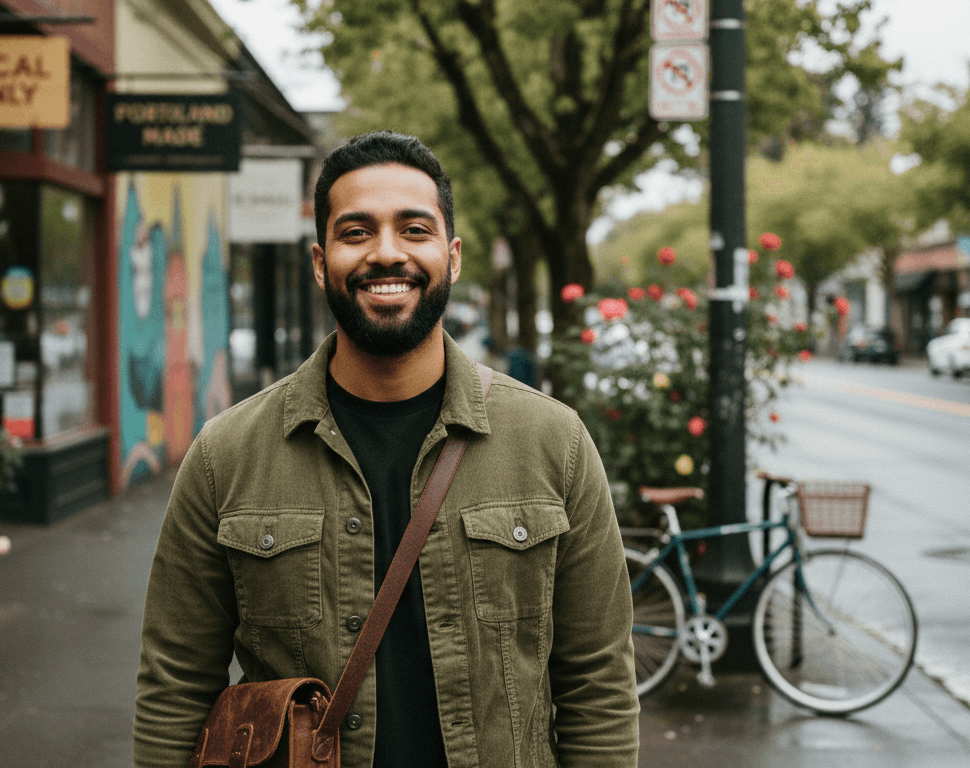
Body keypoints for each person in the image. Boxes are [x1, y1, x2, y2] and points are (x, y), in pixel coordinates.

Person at [135, 131, 638, 768]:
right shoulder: (226, 455)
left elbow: (598, 687)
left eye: (414, 229)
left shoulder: (552, 443)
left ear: (451, 256)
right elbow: (174, 687)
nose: (387, 253)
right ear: (321, 262)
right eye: (356, 232)